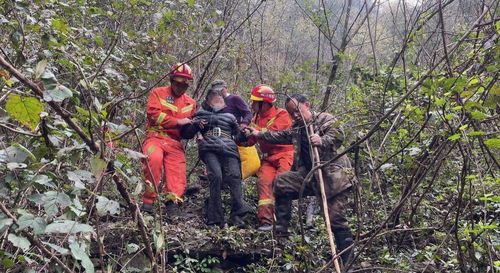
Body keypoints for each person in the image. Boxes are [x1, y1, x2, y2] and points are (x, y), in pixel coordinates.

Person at [245, 93, 356, 265]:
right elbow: (280, 136)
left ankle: (348, 261)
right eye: (291, 113)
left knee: (336, 219)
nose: (295, 115)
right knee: (282, 182)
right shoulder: (297, 128)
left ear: (307, 105)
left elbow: (338, 135)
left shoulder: (324, 119)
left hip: (334, 178)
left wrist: (322, 139)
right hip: (310, 176)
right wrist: (259, 134)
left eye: (297, 111)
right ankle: (281, 231)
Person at [181, 89, 252, 227]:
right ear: (207, 102)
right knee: (216, 176)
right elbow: (187, 133)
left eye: (220, 100)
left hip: (229, 148)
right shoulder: (200, 114)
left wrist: (243, 134)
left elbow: (238, 137)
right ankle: (215, 217)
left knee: (235, 176)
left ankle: (237, 214)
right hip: (209, 148)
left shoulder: (230, 117)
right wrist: (195, 125)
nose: (218, 102)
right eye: (215, 99)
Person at [141, 63, 196, 214]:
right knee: (153, 159)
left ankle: (172, 203)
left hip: (175, 142)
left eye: (185, 84)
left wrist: (198, 130)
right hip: (155, 136)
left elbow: (189, 127)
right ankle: (148, 202)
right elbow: (153, 114)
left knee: (177, 171)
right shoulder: (158, 93)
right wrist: (177, 121)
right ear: (171, 80)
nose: (181, 87)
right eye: (178, 83)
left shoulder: (190, 103)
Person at [242, 84, 294, 231]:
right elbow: (250, 141)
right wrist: (241, 136)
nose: (252, 105)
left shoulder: (281, 115)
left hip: (285, 155)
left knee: (282, 183)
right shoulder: (256, 119)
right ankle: (266, 221)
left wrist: (255, 131)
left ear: (263, 103)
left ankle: (283, 223)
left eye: (254, 102)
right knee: (264, 182)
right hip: (268, 158)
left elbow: (274, 134)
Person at [210, 80, 260, 180]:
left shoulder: (234, 98)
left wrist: (243, 124)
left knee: (242, 160)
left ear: (225, 88)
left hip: (235, 135)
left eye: (221, 90)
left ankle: (238, 179)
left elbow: (248, 113)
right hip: (220, 136)